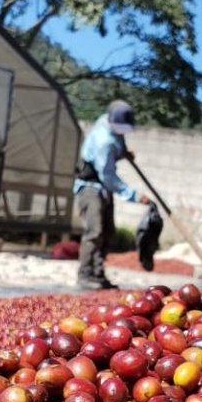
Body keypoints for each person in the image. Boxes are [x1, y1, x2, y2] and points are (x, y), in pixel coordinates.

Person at [73, 100, 149, 289]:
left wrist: (123, 153)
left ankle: (98, 275)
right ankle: (84, 275)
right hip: (91, 187)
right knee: (95, 231)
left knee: (108, 232)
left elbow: (117, 147)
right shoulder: (103, 140)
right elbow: (108, 176)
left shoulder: (109, 124)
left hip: (104, 189)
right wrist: (133, 195)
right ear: (112, 122)